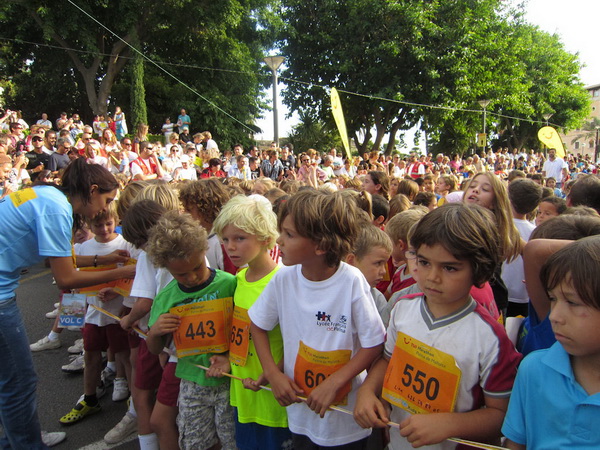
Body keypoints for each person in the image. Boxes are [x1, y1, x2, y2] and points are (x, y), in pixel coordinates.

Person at [353, 204, 522, 450]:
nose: (432, 276)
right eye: (424, 262)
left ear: (479, 268)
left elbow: (502, 415)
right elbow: (387, 360)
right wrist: (368, 390)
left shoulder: (490, 339)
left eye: (449, 267)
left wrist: (451, 424)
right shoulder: (402, 308)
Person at [0, 158, 135, 448]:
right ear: (93, 190)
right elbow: (65, 278)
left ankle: (20, 437)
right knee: (19, 381)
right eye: (107, 200)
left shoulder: (48, 195)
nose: (105, 208)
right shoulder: (57, 209)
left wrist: (101, 259)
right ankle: (26, 443)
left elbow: (59, 259)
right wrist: (121, 272)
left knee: (10, 380)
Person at [249, 190, 385, 448]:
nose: (279, 240)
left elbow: (374, 343)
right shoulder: (283, 278)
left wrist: (335, 382)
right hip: (301, 412)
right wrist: (273, 373)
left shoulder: (351, 281)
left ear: (321, 245)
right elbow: (257, 326)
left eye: (289, 234)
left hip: (345, 420)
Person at [146, 212, 237, 450]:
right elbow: (154, 348)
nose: (192, 277)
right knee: (195, 442)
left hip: (230, 379)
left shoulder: (229, 284)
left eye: (197, 267)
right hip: (192, 380)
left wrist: (229, 357)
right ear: (167, 268)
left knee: (232, 440)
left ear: (204, 251)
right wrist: (155, 332)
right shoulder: (167, 298)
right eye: (181, 274)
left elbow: (243, 332)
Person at [503, 236, 600, 449]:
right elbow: (515, 443)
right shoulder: (533, 369)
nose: (554, 316)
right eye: (553, 299)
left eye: (573, 302)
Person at [212, 195, 292, 450]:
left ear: (266, 238)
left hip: (274, 400)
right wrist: (228, 359)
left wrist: (272, 373)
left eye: (239, 238)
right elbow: (241, 334)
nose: (230, 247)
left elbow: (296, 340)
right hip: (243, 394)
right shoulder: (240, 277)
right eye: (225, 239)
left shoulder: (283, 282)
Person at [59, 203, 135, 424]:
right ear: (90, 225)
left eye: (108, 224)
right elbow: (73, 280)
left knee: (125, 355)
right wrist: (72, 315)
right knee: (90, 354)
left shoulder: (125, 244)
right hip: (94, 312)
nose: (104, 229)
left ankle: (135, 400)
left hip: (118, 312)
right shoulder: (83, 248)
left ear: (116, 221)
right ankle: (89, 398)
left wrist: (117, 291)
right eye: (98, 225)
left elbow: (133, 276)